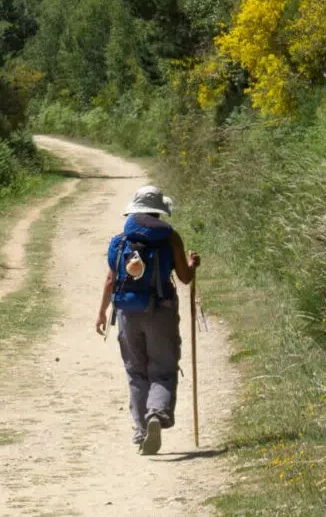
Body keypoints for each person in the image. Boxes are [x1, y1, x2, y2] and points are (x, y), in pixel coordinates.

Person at [95, 185, 200, 455]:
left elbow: (110, 279)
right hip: (161, 311)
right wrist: (192, 264)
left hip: (128, 313)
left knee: (136, 371)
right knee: (163, 368)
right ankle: (157, 414)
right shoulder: (170, 238)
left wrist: (101, 313)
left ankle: (142, 431)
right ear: (159, 211)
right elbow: (185, 278)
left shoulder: (121, 240)